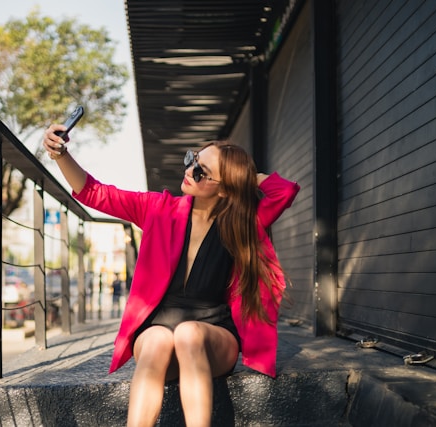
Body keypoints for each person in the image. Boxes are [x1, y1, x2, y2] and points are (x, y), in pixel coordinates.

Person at [43, 124, 300, 427]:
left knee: (189, 333)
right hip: (159, 332)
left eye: (201, 172)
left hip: (212, 337)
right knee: (156, 340)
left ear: (225, 187)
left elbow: (284, 191)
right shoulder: (159, 209)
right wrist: (61, 155)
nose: (190, 171)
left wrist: (244, 177)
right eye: (192, 160)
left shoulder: (242, 221)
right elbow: (96, 193)